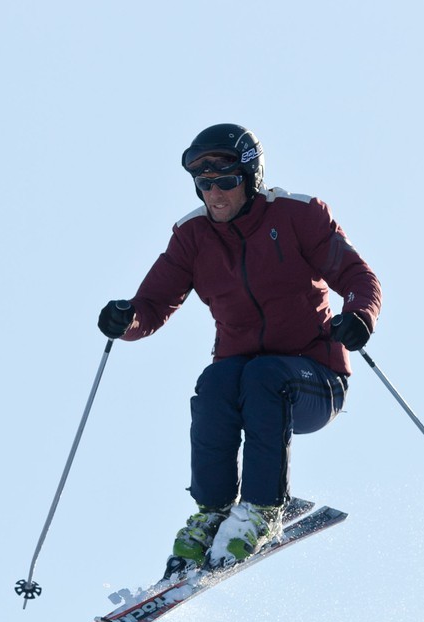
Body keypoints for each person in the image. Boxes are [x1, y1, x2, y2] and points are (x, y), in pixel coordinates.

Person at [98, 123, 382, 578]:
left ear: (250, 178)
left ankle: (262, 508)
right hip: (242, 382)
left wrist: (359, 316)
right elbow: (150, 306)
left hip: (314, 381)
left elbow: (358, 277)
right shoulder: (193, 237)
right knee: (215, 382)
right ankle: (212, 512)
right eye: (204, 184)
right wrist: (125, 319)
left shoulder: (297, 216)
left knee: (261, 375)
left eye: (226, 181)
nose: (215, 194)